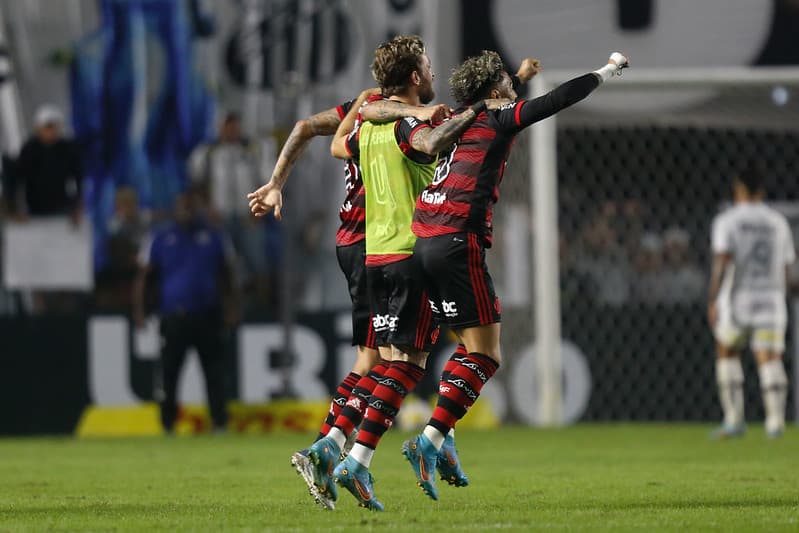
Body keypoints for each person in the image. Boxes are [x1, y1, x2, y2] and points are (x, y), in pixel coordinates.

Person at [375, 49, 627, 501]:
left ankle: (440, 435)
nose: (513, 93)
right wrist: (606, 71)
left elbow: (486, 97)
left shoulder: (453, 116)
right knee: (487, 356)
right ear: (495, 93)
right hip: (456, 242)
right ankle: (430, 440)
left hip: (422, 240)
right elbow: (557, 100)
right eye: (508, 88)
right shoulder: (497, 117)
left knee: (465, 347)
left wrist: (517, 75)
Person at [316, 35, 512, 511]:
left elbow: (337, 144)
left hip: (375, 254)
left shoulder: (368, 127)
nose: (430, 70)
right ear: (414, 77)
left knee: (402, 357)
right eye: (425, 64)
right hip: (411, 248)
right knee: (416, 362)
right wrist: (452, 117)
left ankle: (345, 442)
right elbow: (428, 142)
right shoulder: (407, 125)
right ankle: (356, 456)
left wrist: (365, 106)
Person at [247, 88, 446, 510]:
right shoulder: (396, 112)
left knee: (370, 361)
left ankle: (327, 448)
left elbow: (305, 127)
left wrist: (276, 182)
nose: (431, 71)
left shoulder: (360, 108)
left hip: (355, 240)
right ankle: (334, 448)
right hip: (379, 242)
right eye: (426, 64)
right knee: (399, 362)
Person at [132, 191, 239, 433]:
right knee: (169, 373)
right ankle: (167, 424)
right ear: (175, 209)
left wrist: (233, 307)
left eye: (192, 207)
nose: (187, 212)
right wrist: (139, 311)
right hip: (174, 317)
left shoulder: (214, 236)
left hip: (208, 316)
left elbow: (228, 275)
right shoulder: (160, 237)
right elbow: (144, 277)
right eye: (184, 207)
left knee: (214, 372)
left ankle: (219, 423)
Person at [707, 168, 794, 439]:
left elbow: (722, 261)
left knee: (727, 350)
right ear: (762, 191)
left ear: (738, 189)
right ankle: (775, 423)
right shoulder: (778, 222)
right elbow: (787, 269)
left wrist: (712, 299)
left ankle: (734, 420)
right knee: (769, 359)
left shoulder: (728, 221)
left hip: (738, 299)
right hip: (771, 299)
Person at [189, 111, 276, 303]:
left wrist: (258, 211)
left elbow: (267, 183)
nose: (231, 131)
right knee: (219, 264)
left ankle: (263, 305)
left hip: (248, 216)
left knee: (257, 262)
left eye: (234, 126)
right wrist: (207, 209)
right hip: (219, 217)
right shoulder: (207, 153)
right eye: (227, 126)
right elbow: (196, 185)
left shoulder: (253, 151)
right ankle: (217, 302)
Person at [11, 105, 83, 221]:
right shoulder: (29, 149)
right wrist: (17, 208)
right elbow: (18, 179)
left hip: (62, 208)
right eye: (47, 127)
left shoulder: (68, 149)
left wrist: (77, 205)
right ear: (38, 128)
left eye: (53, 127)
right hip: (34, 209)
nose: (50, 131)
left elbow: (78, 177)